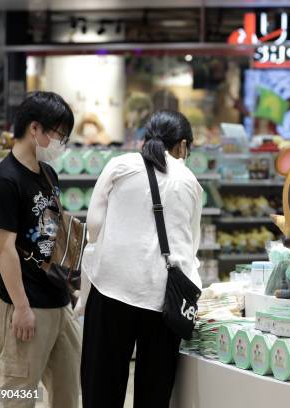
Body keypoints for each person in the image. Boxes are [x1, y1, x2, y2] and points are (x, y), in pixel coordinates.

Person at [81, 111, 203, 408]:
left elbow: (93, 226)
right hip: (164, 300)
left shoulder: (120, 165)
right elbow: (192, 243)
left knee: (101, 386)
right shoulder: (190, 181)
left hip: (111, 288)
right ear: (183, 146)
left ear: (145, 137)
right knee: (154, 391)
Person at [0, 91, 80, 408]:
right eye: (59, 135)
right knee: (20, 393)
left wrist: (72, 281)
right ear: (35, 129)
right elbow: (4, 250)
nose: (62, 144)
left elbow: (53, 233)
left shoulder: (48, 173)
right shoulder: (5, 180)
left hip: (58, 300)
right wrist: (22, 307)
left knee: (68, 389)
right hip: (25, 304)